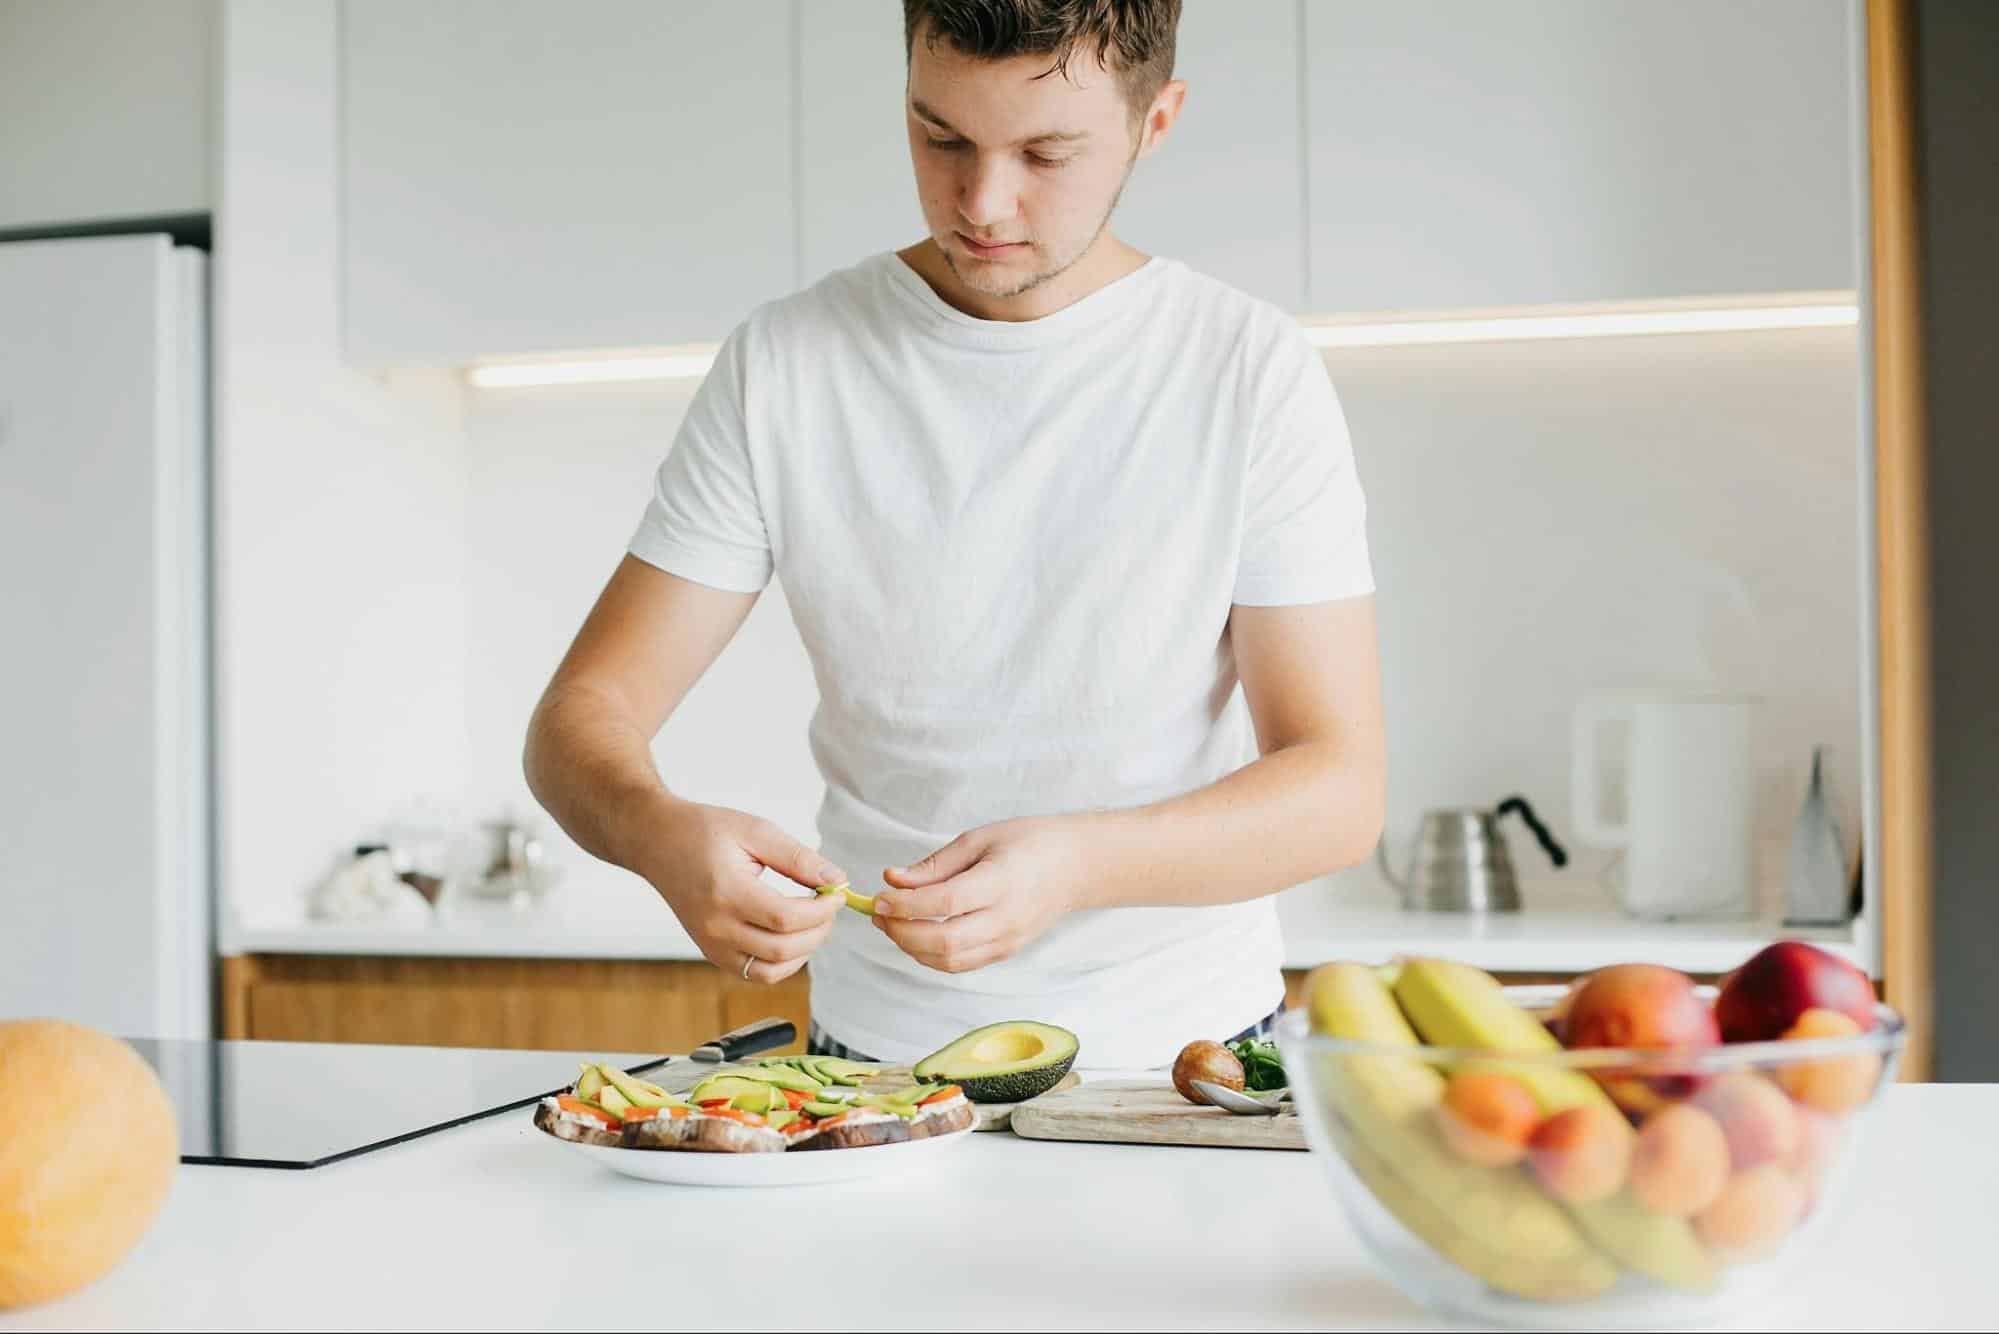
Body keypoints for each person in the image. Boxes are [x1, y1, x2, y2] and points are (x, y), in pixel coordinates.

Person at [523, 0, 1385, 1069]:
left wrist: (1078, 863)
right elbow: (580, 717)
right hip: (869, 1060)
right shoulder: (789, 363)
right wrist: (659, 834)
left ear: (1154, 122)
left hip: (1186, 1056)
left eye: (1044, 153)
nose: (983, 202)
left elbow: (1338, 788)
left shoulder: (1247, 368)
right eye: (942, 139)